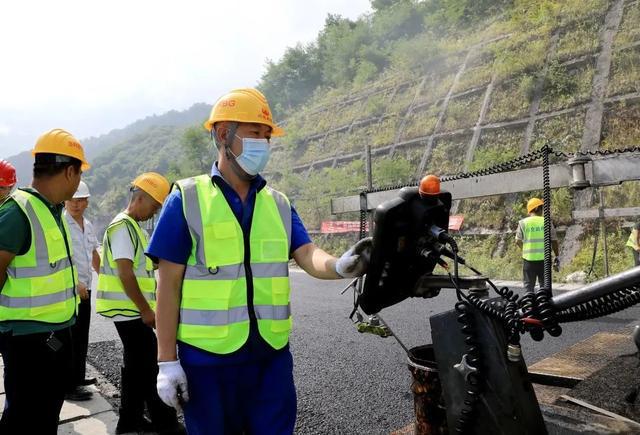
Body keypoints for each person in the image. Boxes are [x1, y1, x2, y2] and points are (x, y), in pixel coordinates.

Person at [149, 88, 372, 434]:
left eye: (268, 136)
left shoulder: (278, 203)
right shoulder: (187, 199)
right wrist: (167, 361)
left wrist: (340, 265)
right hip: (208, 362)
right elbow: (168, 285)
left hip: (270, 358)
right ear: (224, 135)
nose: (264, 144)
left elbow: (307, 254)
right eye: (256, 133)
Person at [0, 129, 89, 434]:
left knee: (44, 414)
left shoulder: (53, 211)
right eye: (78, 175)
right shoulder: (18, 212)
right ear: (68, 172)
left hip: (54, 334)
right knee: (25, 417)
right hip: (28, 341)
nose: (78, 184)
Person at [95, 172, 185, 435]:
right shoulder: (122, 226)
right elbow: (125, 272)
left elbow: (145, 265)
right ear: (140, 198)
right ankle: (165, 424)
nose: (155, 212)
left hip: (131, 311)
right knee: (149, 366)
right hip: (130, 311)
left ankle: (129, 421)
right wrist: (146, 310)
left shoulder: (134, 228)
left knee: (135, 368)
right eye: (154, 205)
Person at [64, 180, 101, 401]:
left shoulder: (88, 224)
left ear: (86, 202)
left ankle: (78, 378)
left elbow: (94, 254)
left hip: (85, 290)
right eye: (72, 200)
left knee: (81, 337)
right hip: (69, 291)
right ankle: (67, 385)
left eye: (80, 200)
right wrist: (75, 282)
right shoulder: (61, 224)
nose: (75, 205)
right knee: (67, 340)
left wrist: (104, 276)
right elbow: (60, 258)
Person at [515, 197, 559, 293]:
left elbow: (518, 241)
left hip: (528, 260)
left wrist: (525, 249)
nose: (543, 210)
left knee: (528, 287)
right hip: (545, 261)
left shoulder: (523, 223)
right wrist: (557, 256)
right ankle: (545, 306)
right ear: (536, 208)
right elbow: (554, 241)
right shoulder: (547, 222)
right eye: (541, 208)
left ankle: (530, 307)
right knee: (545, 287)